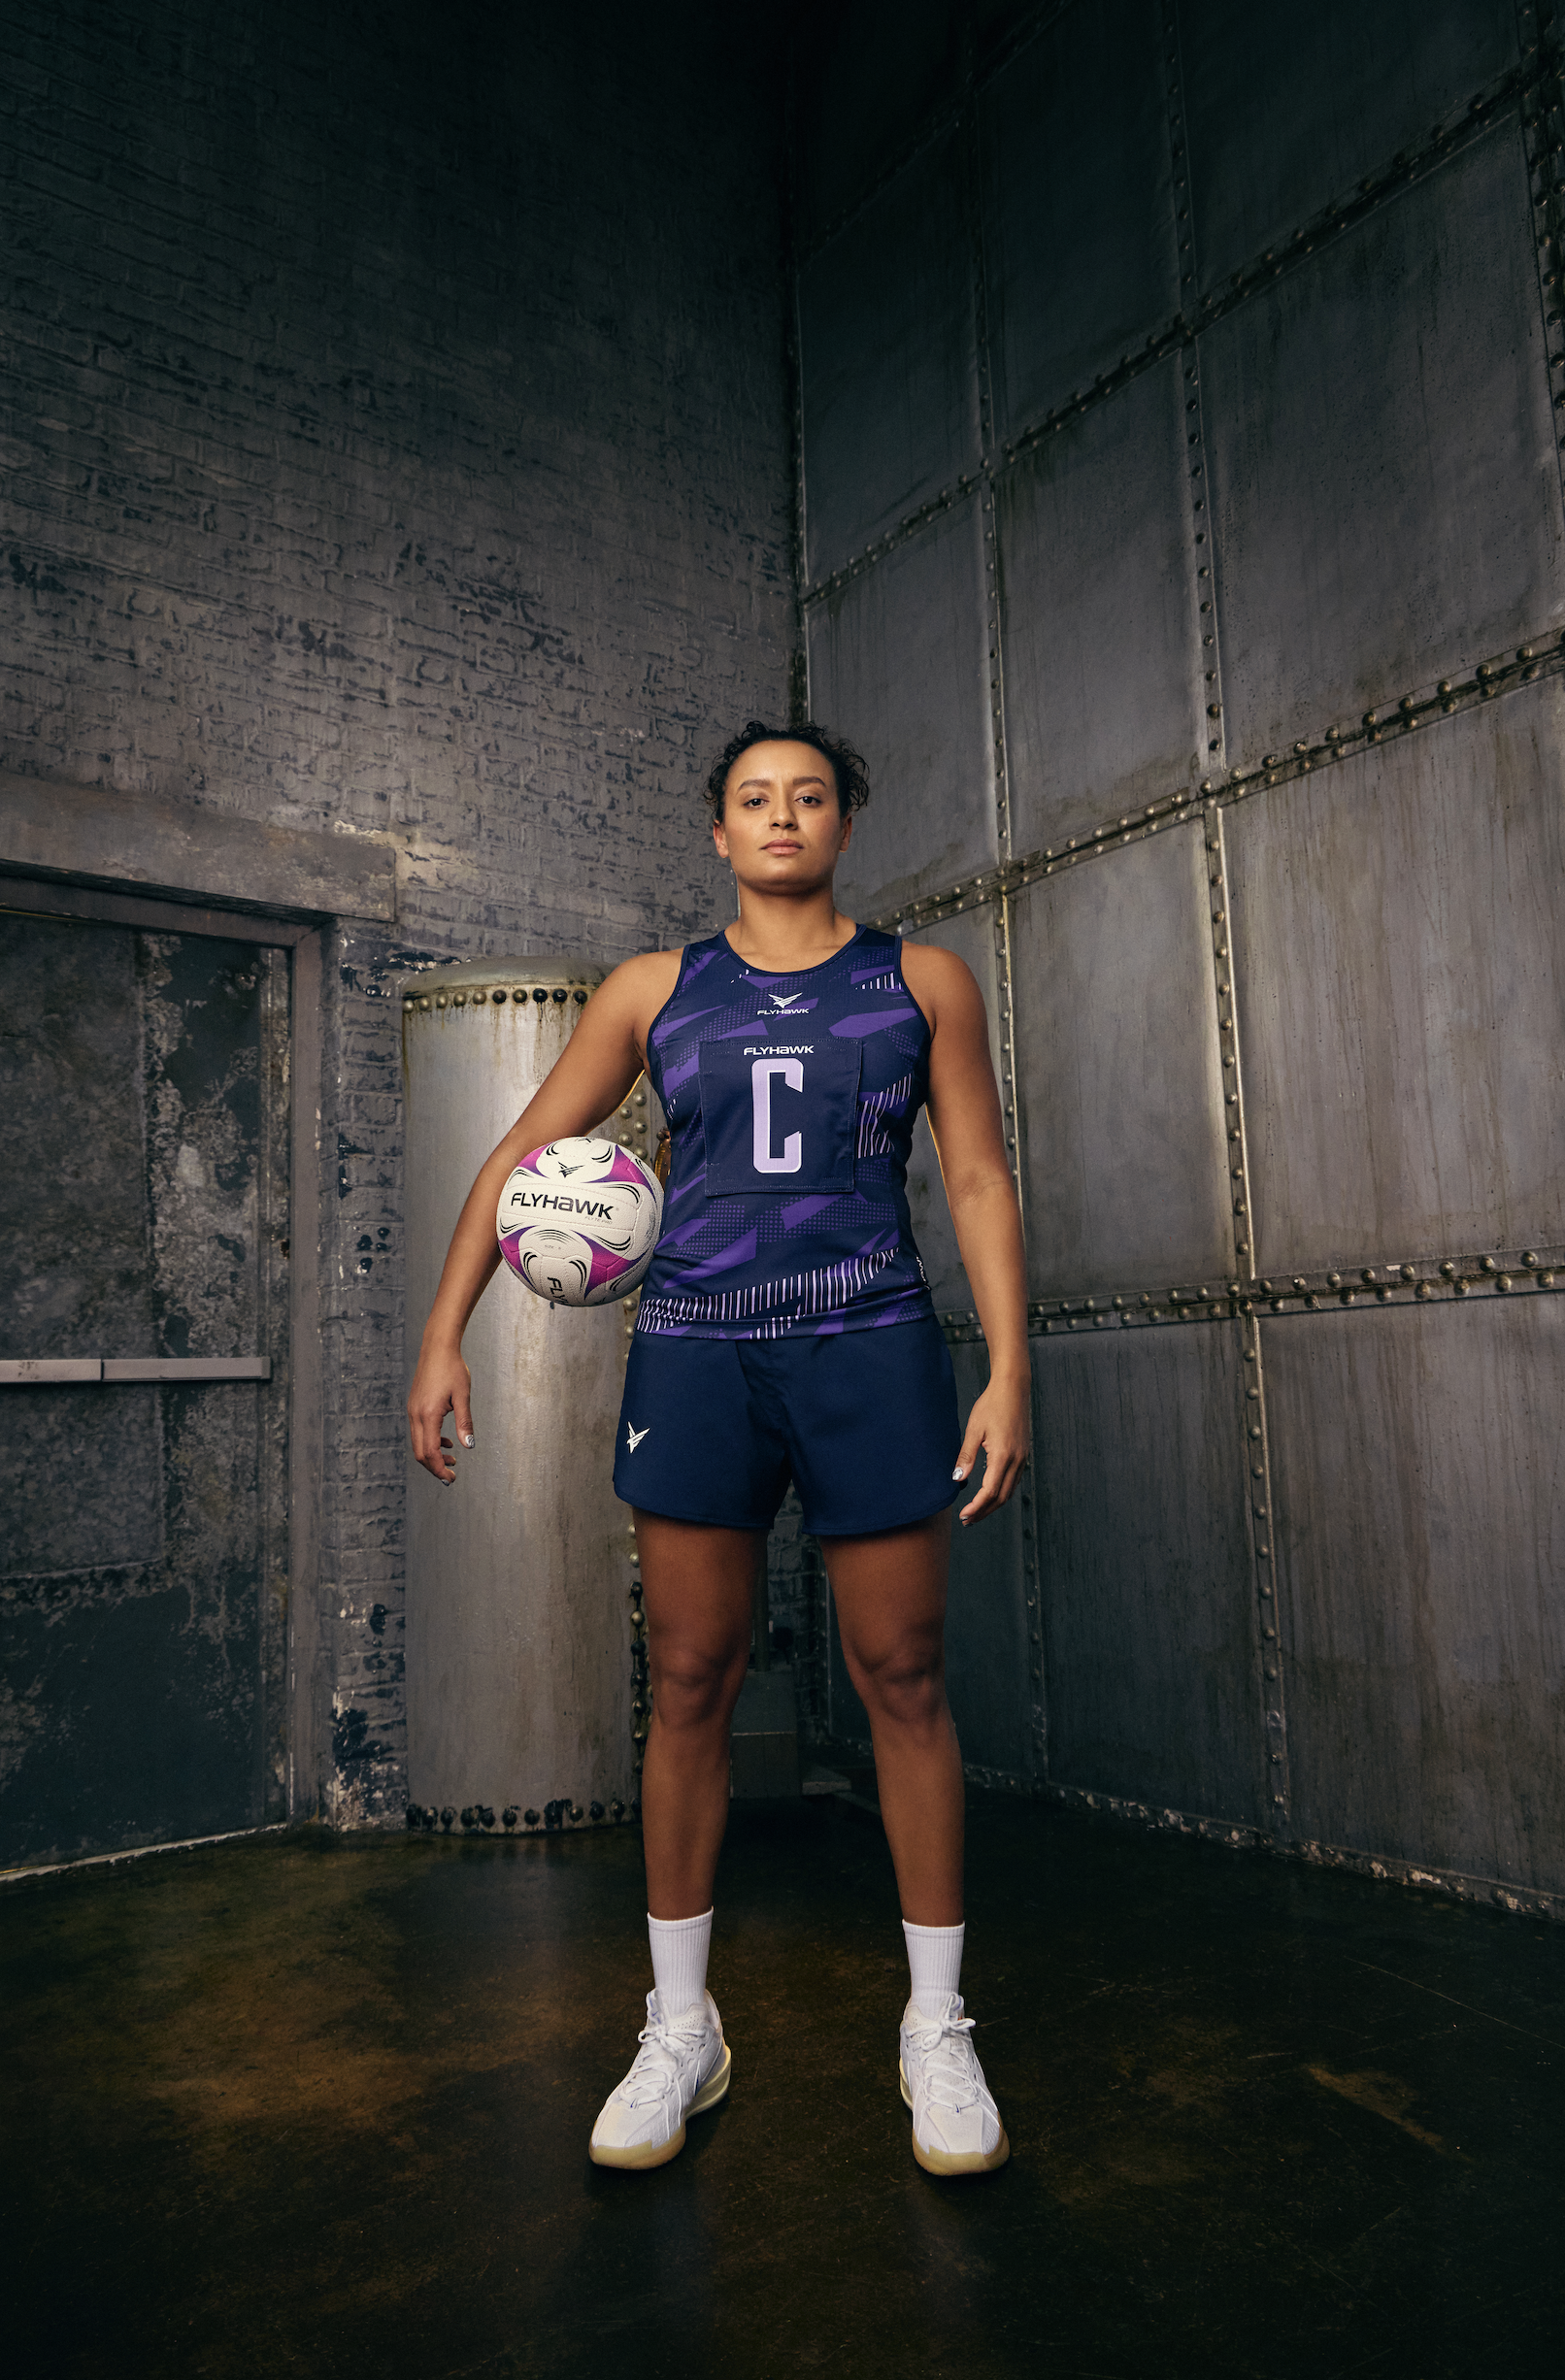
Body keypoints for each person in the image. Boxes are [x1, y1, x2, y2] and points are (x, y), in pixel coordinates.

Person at [407, 719, 1031, 2178]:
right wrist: (443, 1332)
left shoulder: (923, 981)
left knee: (904, 1676)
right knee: (689, 1676)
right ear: (718, 829)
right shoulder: (653, 989)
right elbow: (513, 1159)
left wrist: (1010, 1365)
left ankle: (936, 2028)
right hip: (694, 1349)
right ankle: (679, 2026)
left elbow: (980, 1171)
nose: (783, 817)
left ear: (844, 826)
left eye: (809, 796)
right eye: (755, 798)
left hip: (869, 1341)